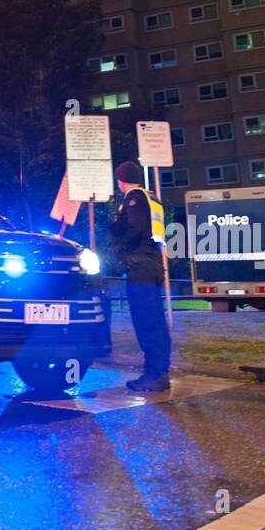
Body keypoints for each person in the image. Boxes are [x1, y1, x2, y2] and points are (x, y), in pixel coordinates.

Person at [109, 160, 171, 393]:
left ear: (120, 181)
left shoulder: (134, 199)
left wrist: (121, 248)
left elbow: (134, 230)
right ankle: (159, 372)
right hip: (152, 264)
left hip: (140, 267)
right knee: (156, 322)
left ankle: (154, 375)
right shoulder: (151, 197)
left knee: (146, 323)